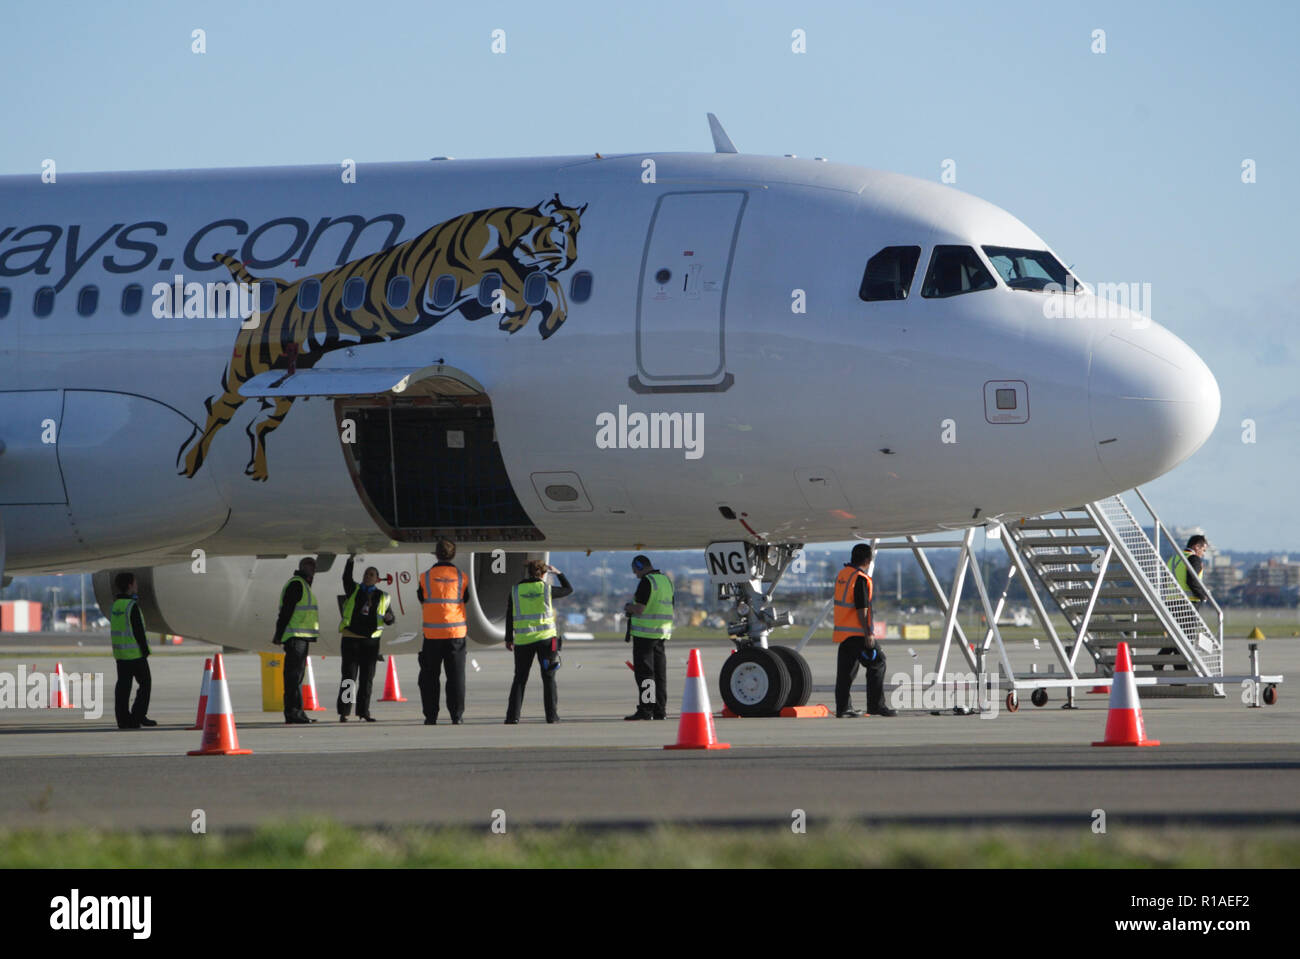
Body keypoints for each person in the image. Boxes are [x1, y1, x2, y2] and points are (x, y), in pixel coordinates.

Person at [505, 561, 572, 724]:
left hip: (523, 641)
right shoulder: (546, 589)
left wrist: (508, 638)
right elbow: (568, 589)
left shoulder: (515, 590)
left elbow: (509, 615)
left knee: (520, 678)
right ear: (544, 574)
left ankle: (512, 717)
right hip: (546, 640)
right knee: (548, 677)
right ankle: (551, 716)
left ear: (528, 573)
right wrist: (559, 573)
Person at [833, 544, 896, 717]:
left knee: (846, 672)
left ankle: (843, 708)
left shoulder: (843, 575)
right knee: (878, 662)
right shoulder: (860, 578)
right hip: (858, 632)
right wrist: (868, 632)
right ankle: (876, 706)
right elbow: (862, 608)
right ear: (868, 561)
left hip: (843, 632)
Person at [337, 555, 395, 722]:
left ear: (377, 579)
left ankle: (364, 711)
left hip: (370, 642)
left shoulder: (383, 596)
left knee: (367, 678)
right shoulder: (354, 590)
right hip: (351, 638)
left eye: (371, 574)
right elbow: (346, 578)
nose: (367, 576)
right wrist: (350, 561)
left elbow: (390, 618)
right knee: (349, 676)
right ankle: (344, 711)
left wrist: (389, 618)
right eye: (366, 574)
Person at [417, 539, 469, 725]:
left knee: (429, 678)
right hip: (456, 634)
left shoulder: (425, 577)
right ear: (453, 555)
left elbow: (421, 598)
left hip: (432, 636)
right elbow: (466, 598)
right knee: (456, 677)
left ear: (436, 554)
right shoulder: (462, 577)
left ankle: (431, 716)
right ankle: (457, 715)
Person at [624, 555, 673, 721]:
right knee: (660, 674)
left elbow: (640, 608)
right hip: (661, 634)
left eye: (636, 571)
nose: (636, 575)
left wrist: (628, 607)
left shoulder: (647, 581)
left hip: (644, 635)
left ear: (639, 566)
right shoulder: (666, 581)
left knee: (645, 674)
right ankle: (660, 710)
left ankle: (646, 709)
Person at [273, 557, 319, 724]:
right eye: (311, 566)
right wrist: (279, 634)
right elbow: (286, 611)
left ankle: (296, 712)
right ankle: (293, 713)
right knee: (293, 677)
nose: (314, 569)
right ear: (303, 567)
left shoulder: (304, 584)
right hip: (295, 638)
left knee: (297, 677)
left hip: (301, 638)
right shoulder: (297, 584)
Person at [109, 572, 156, 729]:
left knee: (123, 687)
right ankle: (137, 716)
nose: (136, 586)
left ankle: (123, 720)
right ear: (130, 585)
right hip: (135, 654)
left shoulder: (116, 606)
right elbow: (138, 632)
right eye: (135, 583)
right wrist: (145, 650)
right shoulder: (132, 606)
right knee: (145, 684)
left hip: (120, 655)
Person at [1159, 534, 1210, 670]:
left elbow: (1165, 580)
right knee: (1185, 639)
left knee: (1176, 637)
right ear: (1196, 546)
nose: (1203, 554)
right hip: (1188, 603)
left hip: (1171, 601)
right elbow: (1191, 581)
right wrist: (1203, 596)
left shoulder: (1174, 559)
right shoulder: (1193, 559)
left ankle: (1161, 661)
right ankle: (1180, 672)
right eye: (1203, 550)